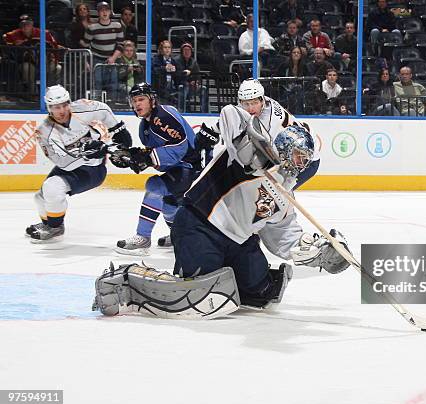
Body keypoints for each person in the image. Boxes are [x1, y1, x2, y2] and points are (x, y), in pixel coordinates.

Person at [169, 79, 344, 309]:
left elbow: (283, 236)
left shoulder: (286, 192)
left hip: (239, 240)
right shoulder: (243, 151)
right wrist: (254, 150)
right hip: (201, 224)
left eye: (305, 159)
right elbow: (230, 115)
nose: (301, 164)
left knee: (263, 291)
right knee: (200, 296)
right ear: (283, 151)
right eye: (298, 156)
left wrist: (315, 252)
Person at [113, 83, 214, 255]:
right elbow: (162, 159)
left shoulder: (163, 116)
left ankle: (143, 237)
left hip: (194, 167)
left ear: (152, 100)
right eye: (134, 100)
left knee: (155, 187)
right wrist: (137, 158)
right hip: (182, 168)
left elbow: (179, 148)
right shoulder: (144, 126)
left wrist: (147, 158)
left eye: (141, 99)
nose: (137, 104)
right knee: (168, 204)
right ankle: (178, 235)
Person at [27, 85, 132, 242]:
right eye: (56, 107)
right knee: (40, 198)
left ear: (69, 102)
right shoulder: (44, 132)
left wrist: (117, 128)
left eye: (64, 105)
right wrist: (86, 152)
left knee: (52, 187)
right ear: (49, 108)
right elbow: (62, 162)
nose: (62, 111)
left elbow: (103, 109)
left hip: (93, 171)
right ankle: (50, 224)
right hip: (70, 167)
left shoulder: (83, 108)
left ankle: (54, 228)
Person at [84, 2, 124, 101]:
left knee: (114, 83)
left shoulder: (117, 26)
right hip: (96, 58)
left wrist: (113, 58)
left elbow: (120, 44)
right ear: (98, 13)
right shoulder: (92, 27)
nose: (104, 12)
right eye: (102, 10)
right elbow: (84, 46)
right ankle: (97, 104)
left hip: (111, 59)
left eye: (106, 10)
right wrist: (86, 62)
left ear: (110, 12)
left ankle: (113, 104)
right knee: (98, 82)